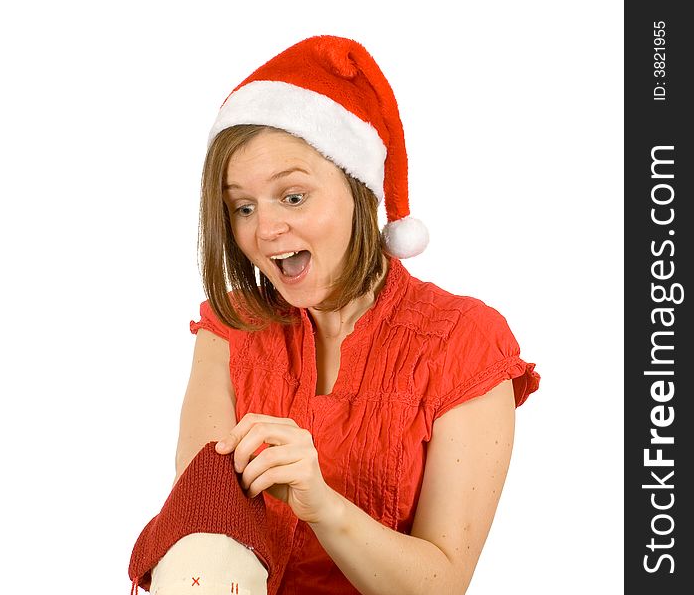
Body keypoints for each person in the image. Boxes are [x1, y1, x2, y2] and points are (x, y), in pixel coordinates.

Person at [129, 34, 540, 595]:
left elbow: (440, 583)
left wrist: (322, 504)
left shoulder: (462, 343)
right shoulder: (231, 327)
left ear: (359, 189)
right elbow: (203, 531)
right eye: (242, 207)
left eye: (292, 197)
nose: (265, 229)